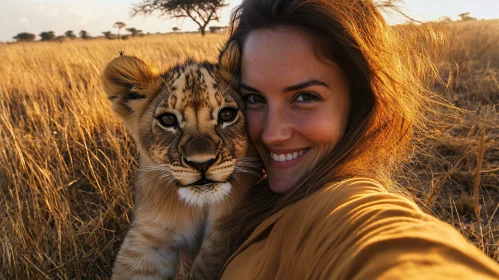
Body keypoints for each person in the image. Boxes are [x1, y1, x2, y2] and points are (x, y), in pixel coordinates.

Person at [215, 0, 499, 279]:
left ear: (359, 101)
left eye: (305, 97)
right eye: (254, 99)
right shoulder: (241, 192)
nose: (271, 134)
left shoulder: (346, 210)